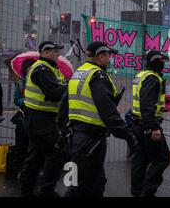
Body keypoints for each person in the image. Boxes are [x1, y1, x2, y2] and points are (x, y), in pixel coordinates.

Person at [58, 41, 138, 197]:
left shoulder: (79, 73)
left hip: (77, 137)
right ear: (101, 56)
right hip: (91, 140)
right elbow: (108, 113)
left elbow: (64, 106)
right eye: (109, 55)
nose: (110, 59)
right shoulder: (98, 76)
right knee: (82, 187)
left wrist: (63, 132)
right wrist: (129, 137)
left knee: (90, 182)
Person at [19, 41, 67, 197]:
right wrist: (69, 87)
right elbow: (53, 92)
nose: (58, 54)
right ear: (46, 52)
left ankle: (26, 191)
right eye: (55, 51)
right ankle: (46, 190)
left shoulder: (50, 69)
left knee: (36, 156)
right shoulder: (42, 69)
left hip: (39, 119)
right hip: (41, 119)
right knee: (56, 154)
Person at [131, 50, 170, 197]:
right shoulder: (152, 78)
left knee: (141, 159)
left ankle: (137, 191)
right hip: (147, 125)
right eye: (162, 61)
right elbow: (146, 105)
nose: (163, 65)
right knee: (162, 158)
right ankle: (147, 193)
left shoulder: (142, 75)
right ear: (156, 61)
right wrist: (154, 127)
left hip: (139, 123)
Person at [10, 58, 35, 178]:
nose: (31, 69)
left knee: (34, 147)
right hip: (23, 119)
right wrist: (26, 101)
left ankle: (32, 171)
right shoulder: (20, 82)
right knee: (21, 146)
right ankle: (18, 170)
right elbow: (16, 99)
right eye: (29, 67)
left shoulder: (40, 80)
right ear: (25, 69)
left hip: (36, 120)